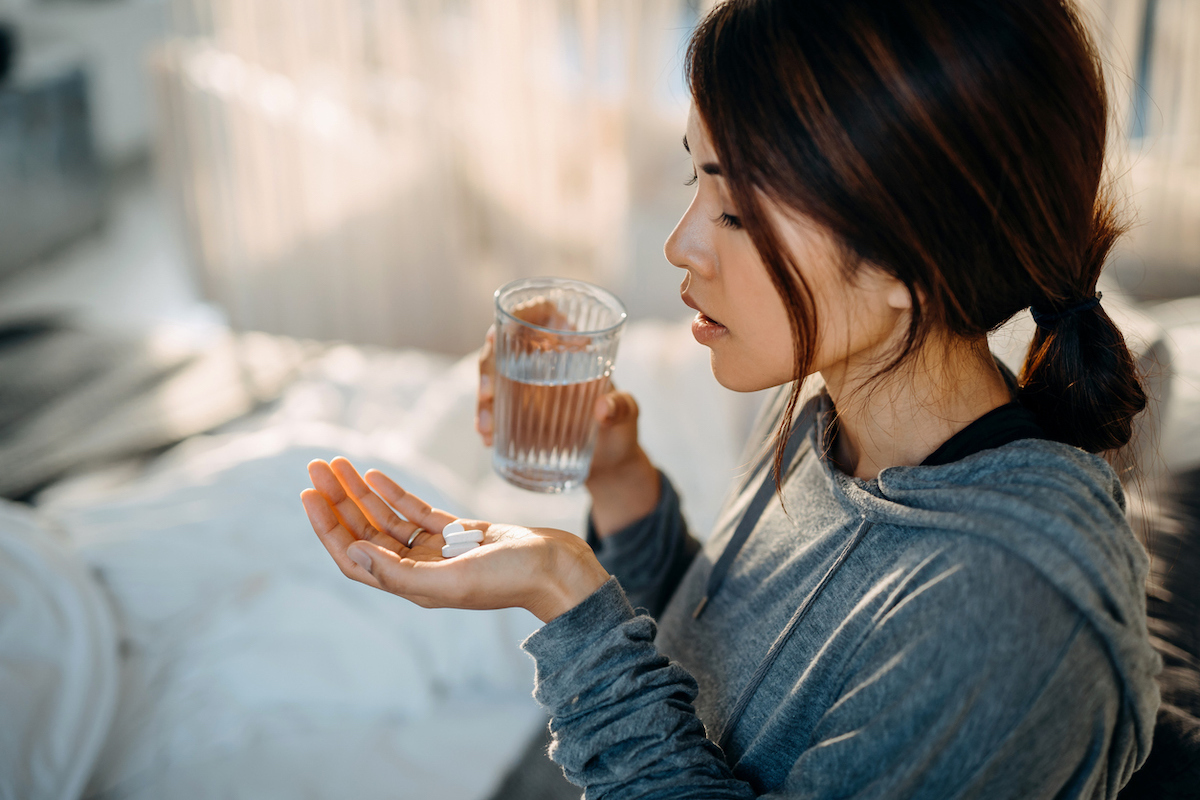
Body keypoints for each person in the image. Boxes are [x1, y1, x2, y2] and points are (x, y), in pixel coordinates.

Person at [301, 0, 1162, 796]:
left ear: (911, 256)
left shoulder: (1009, 614)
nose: (681, 246)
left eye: (738, 211)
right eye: (695, 184)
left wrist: (564, 593)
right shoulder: (832, 408)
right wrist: (621, 482)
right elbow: (718, 673)